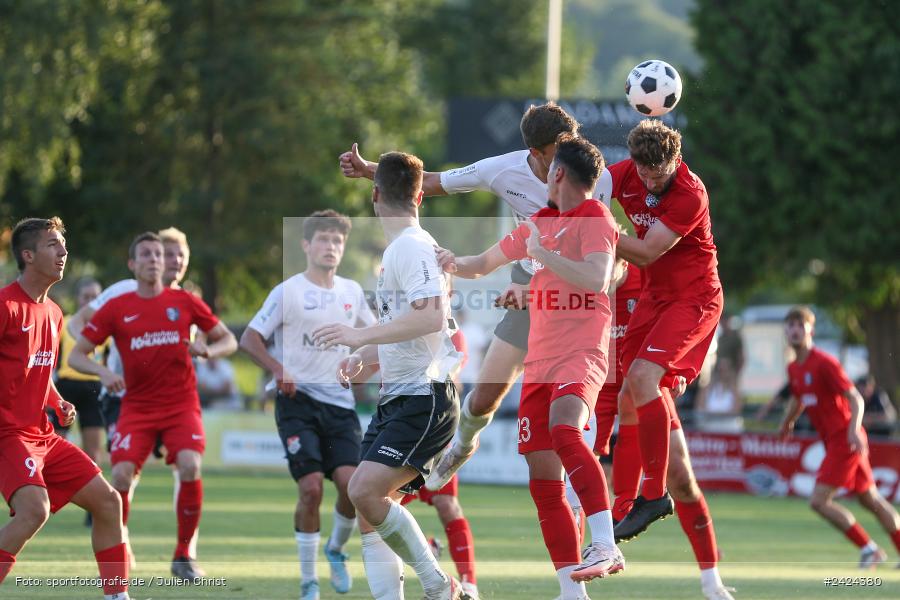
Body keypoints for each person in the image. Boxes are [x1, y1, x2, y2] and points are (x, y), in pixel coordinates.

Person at [340, 103, 587, 488]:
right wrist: (373, 171)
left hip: (581, 297)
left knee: (577, 415)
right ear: (537, 153)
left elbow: (610, 240)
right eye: (556, 158)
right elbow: (433, 182)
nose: (563, 170)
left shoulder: (594, 173)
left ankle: (599, 529)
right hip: (529, 285)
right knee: (484, 398)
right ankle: (465, 443)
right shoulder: (502, 169)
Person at [435, 134, 621, 598]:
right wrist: (448, 261)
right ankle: (570, 589)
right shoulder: (540, 222)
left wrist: (540, 255)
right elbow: (482, 263)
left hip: (580, 353)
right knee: (542, 478)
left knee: (565, 430)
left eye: (548, 168)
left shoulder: (594, 217)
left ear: (558, 173)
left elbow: (598, 278)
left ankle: (606, 544)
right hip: (540, 359)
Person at [313, 152, 468, 599]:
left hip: (425, 397)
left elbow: (431, 318)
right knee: (369, 509)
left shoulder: (411, 246)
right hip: (400, 396)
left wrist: (360, 335)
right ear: (420, 195)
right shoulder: (404, 247)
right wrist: (368, 357)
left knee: (363, 490)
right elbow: (411, 331)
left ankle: (440, 586)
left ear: (375, 194)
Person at [68, 232, 237, 581]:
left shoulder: (185, 301)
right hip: (136, 406)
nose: (155, 260)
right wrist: (102, 372)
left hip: (180, 404)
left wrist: (209, 351)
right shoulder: (117, 305)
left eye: (159, 254)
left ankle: (183, 556)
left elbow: (229, 339)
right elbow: (76, 353)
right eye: (146, 254)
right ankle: (120, 544)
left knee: (190, 465)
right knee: (120, 475)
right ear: (133, 264)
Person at [591, 119, 724, 546]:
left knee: (644, 380)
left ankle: (653, 495)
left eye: (658, 173)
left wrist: (600, 230)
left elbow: (647, 252)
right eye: (643, 172)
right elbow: (584, 192)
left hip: (693, 298)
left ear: (676, 160)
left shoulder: (690, 193)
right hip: (654, 297)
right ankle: (631, 499)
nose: (649, 180)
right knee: (632, 390)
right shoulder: (622, 173)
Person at [239, 210, 377, 600]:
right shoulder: (288, 291)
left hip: (340, 405)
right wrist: (278, 368)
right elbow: (250, 339)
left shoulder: (351, 292)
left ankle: (335, 549)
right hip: (297, 402)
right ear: (306, 245)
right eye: (323, 239)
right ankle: (308, 582)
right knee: (312, 489)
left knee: (352, 488)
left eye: (337, 240)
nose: (330, 246)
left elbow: (372, 340)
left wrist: (364, 371)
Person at [0, 217, 130, 599]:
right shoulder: (5, 306)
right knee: (34, 511)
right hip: (7, 434)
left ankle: (118, 597)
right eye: (53, 245)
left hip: (42, 434)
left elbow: (39, 370)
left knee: (108, 502)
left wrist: (55, 400)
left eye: (63, 244)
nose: (63, 252)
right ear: (28, 255)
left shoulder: (55, 313)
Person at [779, 306, 900, 568]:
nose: (795, 329)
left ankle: (869, 549)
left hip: (845, 440)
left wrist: (854, 430)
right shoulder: (794, 369)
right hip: (836, 441)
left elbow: (855, 398)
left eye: (800, 324)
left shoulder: (824, 363)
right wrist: (787, 422)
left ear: (810, 330)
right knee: (871, 500)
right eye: (790, 325)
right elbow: (798, 398)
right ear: (785, 332)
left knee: (819, 501)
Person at [54, 277, 106, 465]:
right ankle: (55, 489)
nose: (91, 301)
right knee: (55, 445)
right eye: (86, 296)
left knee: (93, 452)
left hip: (94, 388)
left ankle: (89, 491)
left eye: (96, 297)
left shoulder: (105, 328)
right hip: (65, 388)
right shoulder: (65, 323)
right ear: (78, 298)